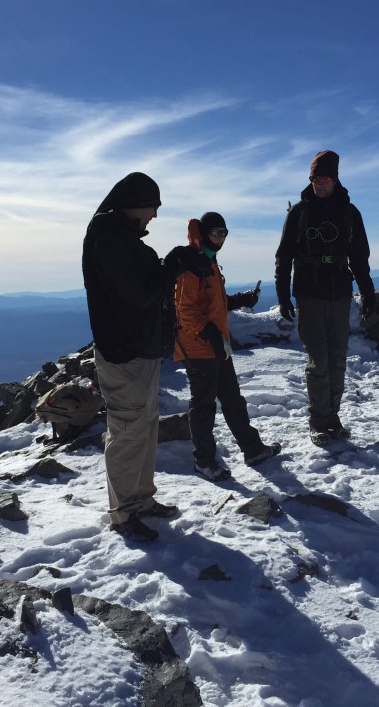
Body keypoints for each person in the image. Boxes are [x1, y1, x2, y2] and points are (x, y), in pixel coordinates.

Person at [82, 172, 190, 543]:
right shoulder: (111, 240)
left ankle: (141, 501)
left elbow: (141, 287)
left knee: (145, 426)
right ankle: (124, 511)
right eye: (153, 208)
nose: (154, 217)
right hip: (123, 351)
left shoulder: (119, 238)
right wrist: (171, 266)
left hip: (138, 349)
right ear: (135, 203)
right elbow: (140, 293)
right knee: (129, 430)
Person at [274, 150, 375, 445]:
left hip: (340, 294)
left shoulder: (350, 213)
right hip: (309, 293)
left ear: (335, 179)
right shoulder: (299, 213)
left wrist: (367, 292)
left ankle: (333, 416)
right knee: (319, 361)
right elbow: (284, 257)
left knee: (337, 360)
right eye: (315, 178)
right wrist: (283, 296)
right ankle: (318, 420)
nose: (319, 183)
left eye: (325, 177)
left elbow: (359, 257)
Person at [171, 212, 282, 481]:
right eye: (216, 233)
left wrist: (241, 299)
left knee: (233, 399)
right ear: (205, 233)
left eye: (224, 233)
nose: (220, 238)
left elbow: (213, 303)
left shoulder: (209, 261)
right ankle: (205, 462)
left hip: (216, 345)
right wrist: (210, 333)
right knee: (204, 405)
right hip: (197, 347)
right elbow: (184, 309)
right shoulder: (191, 264)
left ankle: (253, 450)